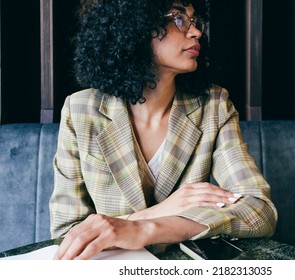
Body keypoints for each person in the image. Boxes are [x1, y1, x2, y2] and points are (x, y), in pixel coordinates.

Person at [49, 0, 277, 260]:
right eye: (179, 18)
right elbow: (67, 234)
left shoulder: (214, 105)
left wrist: (145, 228)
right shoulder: (80, 110)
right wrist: (162, 210)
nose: (196, 32)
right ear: (134, 26)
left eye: (195, 21)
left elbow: (260, 210)